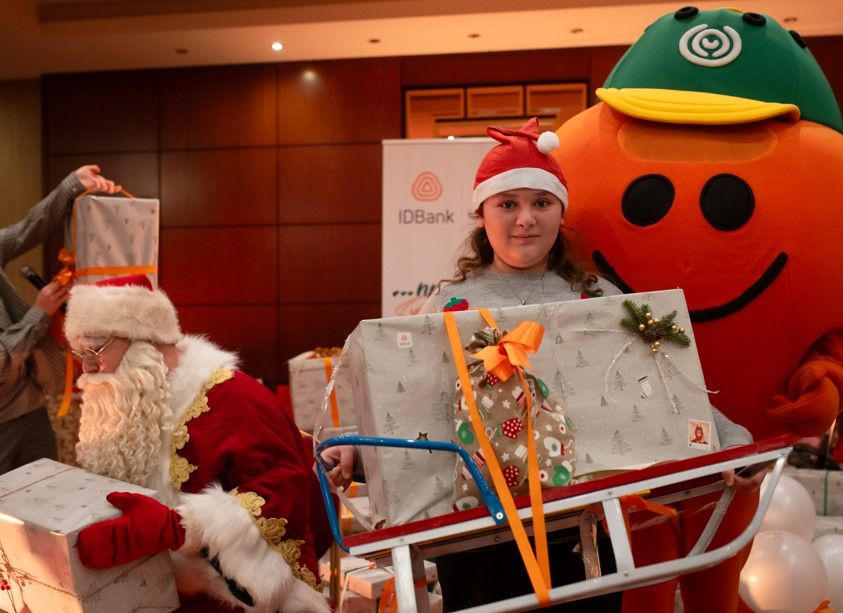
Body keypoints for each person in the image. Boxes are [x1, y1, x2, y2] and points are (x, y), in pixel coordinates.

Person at [321, 118, 762, 609]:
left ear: (560, 212)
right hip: (478, 539)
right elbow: (417, 410)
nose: (525, 219)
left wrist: (730, 440)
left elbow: (660, 383)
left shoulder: (597, 298)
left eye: (542, 203)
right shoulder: (448, 308)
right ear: (482, 215)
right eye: (508, 204)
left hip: (583, 530)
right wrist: (356, 451)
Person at [65, 275, 331, 612]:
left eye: (96, 349)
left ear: (145, 340)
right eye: (79, 352)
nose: (87, 367)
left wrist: (178, 528)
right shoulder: (125, 402)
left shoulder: (232, 397)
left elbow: (284, 495)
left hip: (236, 598)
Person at [0, 165, 119, 475]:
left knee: (46, 483)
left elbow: (28, 229)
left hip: (30, 403)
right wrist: (39, 313)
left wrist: (72, 184)